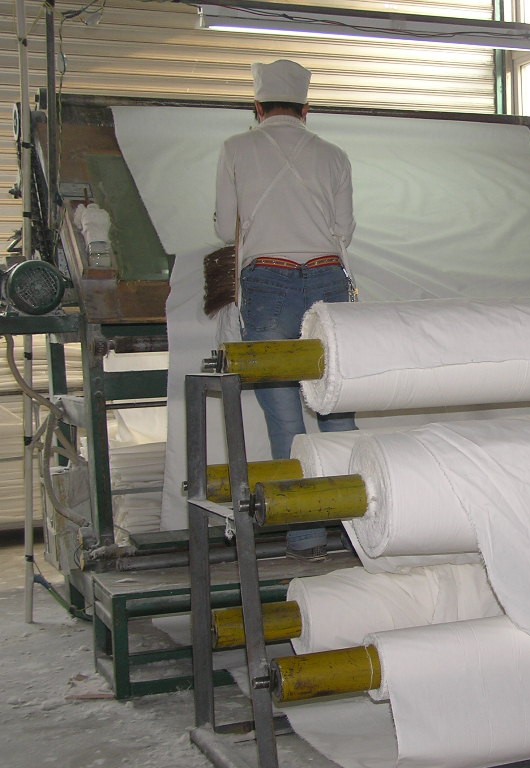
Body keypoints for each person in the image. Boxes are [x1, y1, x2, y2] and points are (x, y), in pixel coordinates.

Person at [215, 59, 356, 560]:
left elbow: (223, 228)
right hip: (328, 278)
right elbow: (345, 230)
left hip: (268, 280)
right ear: (306, 110)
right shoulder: (333, 155)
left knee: (284, 417)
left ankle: (307, 537)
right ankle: (355, 529)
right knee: (337, 406)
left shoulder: (236, 149)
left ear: (257, 108)